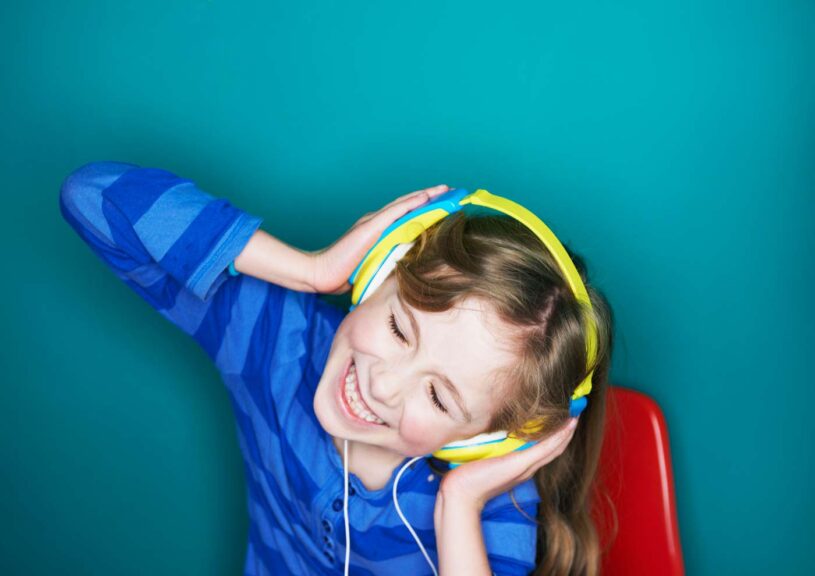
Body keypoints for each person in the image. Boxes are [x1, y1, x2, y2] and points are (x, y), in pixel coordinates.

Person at [60, 161, 613, 575]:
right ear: (377, 275)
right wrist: (310, 270)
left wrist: (456, 507)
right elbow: (94, 197)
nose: (384, 384)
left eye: (440, 398)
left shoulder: (492, 512)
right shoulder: (277, 341)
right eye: (400, 329)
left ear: (488, 440)